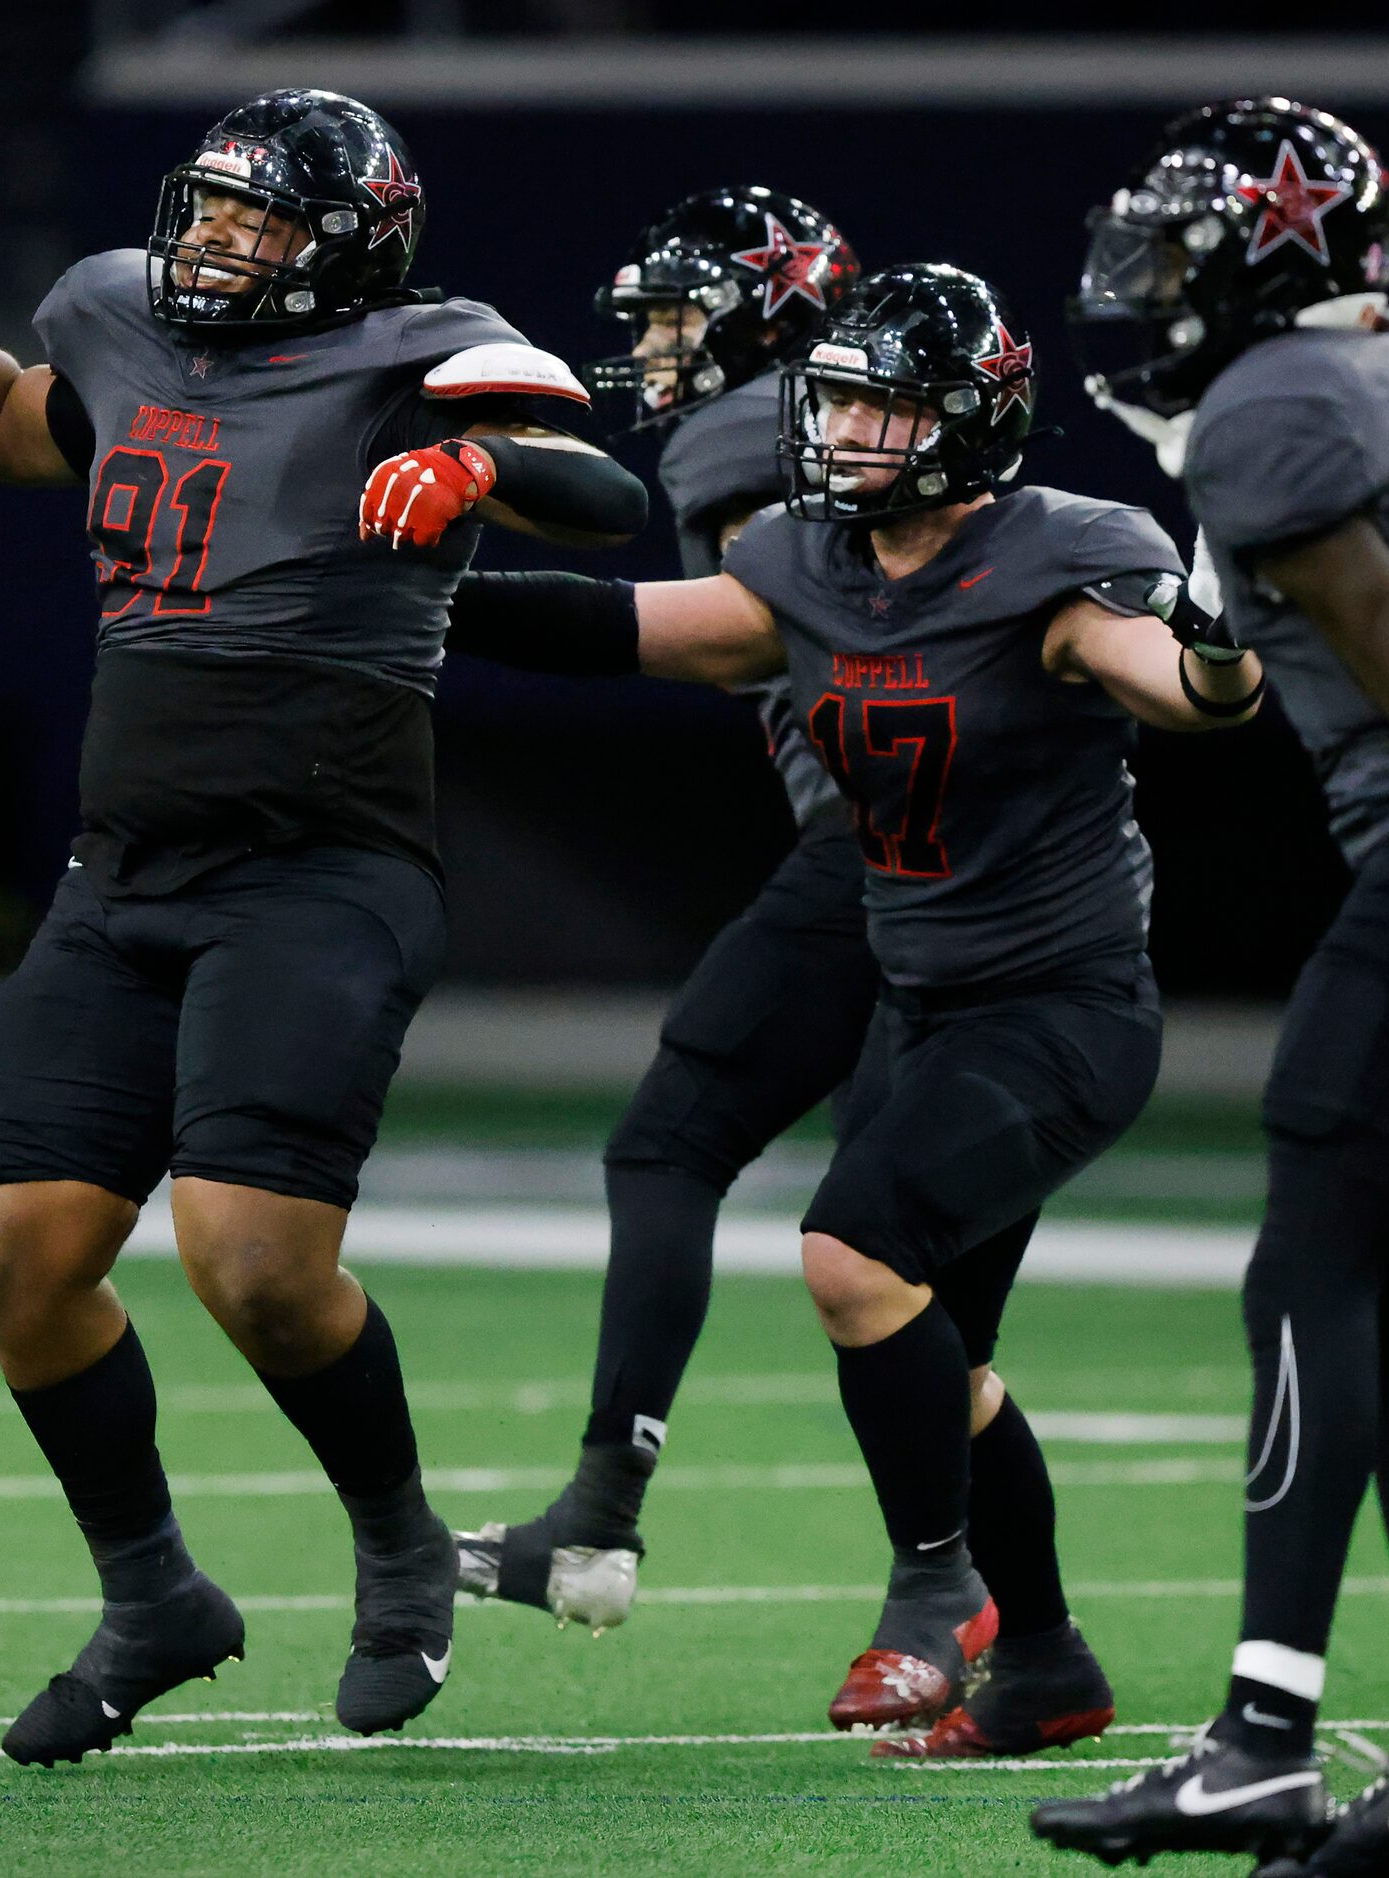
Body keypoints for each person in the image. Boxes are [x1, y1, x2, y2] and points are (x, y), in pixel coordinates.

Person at [0, 88, 645, 1764]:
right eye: (201, 209)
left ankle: (403, 1538)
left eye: (253, 222)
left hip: (320, 866)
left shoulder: (424, 348)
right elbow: (26, 425)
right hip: (121, 870)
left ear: (345, 249)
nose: (209, 243)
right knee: (21, 1252)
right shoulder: (120, 314)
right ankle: (154, 1597)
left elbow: (598, 492)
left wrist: (472, 459)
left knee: (256, 1264)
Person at [440, 261, 1266, 1759]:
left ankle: (937, 1594)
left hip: (1063, 1009)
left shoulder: (1057, 558)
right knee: (943, 1358)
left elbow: (1178, 686)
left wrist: (1215, 647)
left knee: (851, 1253)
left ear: (964, 420)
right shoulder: (810, 565)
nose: (849, 435)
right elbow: (643, 625)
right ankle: (1052, 1665)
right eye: (843, 403)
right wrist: (430, 595)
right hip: (924, 1003)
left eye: (886, 407)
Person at [1032, 100, 1389, 1874]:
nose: (1160, 272)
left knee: (1306, 1266)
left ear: (1279, 250)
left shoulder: (1279, 409)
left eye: (1197, 241)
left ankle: (1260, 1736)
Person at [451, 185, 868, 1637]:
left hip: (884, 854)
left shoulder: (753, 427)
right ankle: (978, 1602)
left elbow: (749, 628)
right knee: (895, 1256)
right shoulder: (861, 417)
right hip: (998, 868)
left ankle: (602, 1517)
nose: (655, 343)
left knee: (674, 1143)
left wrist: (440, 596)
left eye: (680, 313)